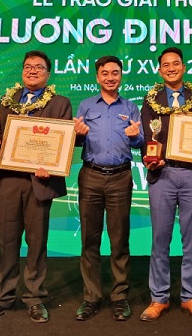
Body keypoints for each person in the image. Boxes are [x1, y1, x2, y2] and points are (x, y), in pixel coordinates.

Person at [0, 50, 72, 324]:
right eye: (28, 67)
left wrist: (50, 165)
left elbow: (63, 142)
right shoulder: (7, 101)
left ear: (48, 74)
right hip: (9, 179)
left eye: (38, 67)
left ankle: (34, 298)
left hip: (39, 181)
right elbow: (0, 136)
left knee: (37, 243)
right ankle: (2, 298)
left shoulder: (60, 103)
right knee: (7, 240)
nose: (32, 71)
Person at [139, 47, 192, 323]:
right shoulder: (151, 99)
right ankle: (159, 298)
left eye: (176, 64)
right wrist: (149, 159)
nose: (171, 68)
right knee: (160, 239)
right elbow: (146, 136)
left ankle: (190, 297)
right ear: (159, 70)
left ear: (183, 67)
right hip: (162, 175)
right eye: (166, 65)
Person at [72, 55, 144, 322]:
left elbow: (141, 141)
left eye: (115, 73)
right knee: (89, 239)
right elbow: (75, 142)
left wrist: (135, 136)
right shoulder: (86, 105)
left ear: (121, 76)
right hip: (90, 176)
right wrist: (78, 134)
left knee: (119, 239)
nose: (110, 77)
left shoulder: (131, 107)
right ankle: (91, 297)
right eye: (105, 73)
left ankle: (119, 297)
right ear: (97, 77)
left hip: (120, 177)